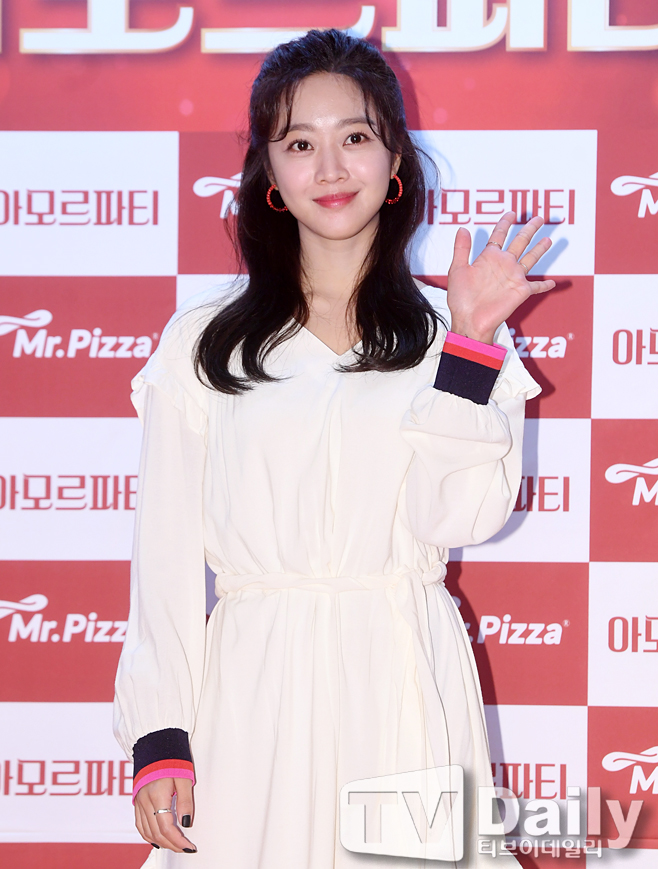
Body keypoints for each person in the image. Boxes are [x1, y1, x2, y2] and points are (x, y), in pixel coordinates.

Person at [113, 28, 554, 869]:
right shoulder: (203, 342)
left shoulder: (453, 331)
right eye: (299, 144)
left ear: (395, 160)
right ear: (269, 175)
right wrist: (159, 736)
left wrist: (470, 345)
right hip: (254, 688)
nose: (330, 168)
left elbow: (459, 516)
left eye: (354, 137)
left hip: (401, 675)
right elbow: (161, 556)